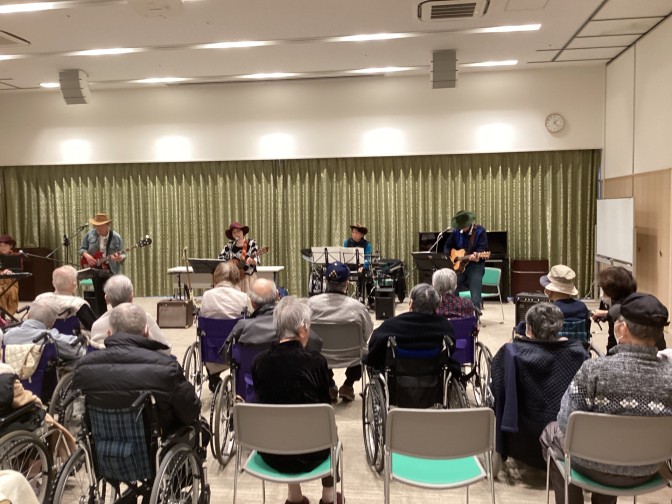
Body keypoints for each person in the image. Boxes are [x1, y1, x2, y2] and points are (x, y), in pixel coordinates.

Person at [540, 292, 672, 504]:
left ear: (624, 329)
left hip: (591, 466)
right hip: (647, 469)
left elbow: (566, 422)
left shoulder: (594, 369)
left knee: (551, 432)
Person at [252, 297, 340, 504]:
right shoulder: (316, 362)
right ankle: (329, 497)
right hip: (313, 452)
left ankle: (294, 496)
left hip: (271, 452)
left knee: (283, 422)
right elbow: (325, 408)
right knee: (330, 430)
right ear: (302, 330)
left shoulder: (258, 362)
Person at [73, 303, 201, 437]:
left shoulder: (83, 367)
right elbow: (190, 410)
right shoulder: (167, 367)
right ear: (146, 332)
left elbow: (82, 415)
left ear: (109, 333)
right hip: (152, 443)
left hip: (102, 443)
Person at [491, 303, 588, 469]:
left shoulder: (512, 352)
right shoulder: (579, 353)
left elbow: (498, 390)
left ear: (529, 329)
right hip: (563, 435)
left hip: (522, 435)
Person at [307, 262, 373, 402]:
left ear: (325, 281)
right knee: (364, 348)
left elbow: (304, 331)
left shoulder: (310, 304)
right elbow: (367, 333)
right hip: (353, 356)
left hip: (320, 356)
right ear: (347, 283)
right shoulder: (358, 307)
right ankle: (348, 385)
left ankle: (330, 385)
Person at [364, 283, 460, 376]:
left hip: (397, 378)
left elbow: (374, 346)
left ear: (411, 304)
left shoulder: (391, 325)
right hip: (435, 377)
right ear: (436, 306)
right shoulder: (444, 326)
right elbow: (451, 348)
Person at [228, 278, 322, 351]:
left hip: (251, 370)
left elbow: (226, 354)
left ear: (252, 303)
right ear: (277, 297)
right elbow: (316, 344)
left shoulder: (243, 327)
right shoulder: (293, 324)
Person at [199, 260, 250, 392]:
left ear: (216, 277)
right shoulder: (243, 297)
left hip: (211, 353)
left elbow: (202, 319)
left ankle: (213, 378)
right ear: (236, 277)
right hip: (235, 354)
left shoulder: (206, 296)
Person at [89, 274, 171, 354]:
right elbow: (165, 350)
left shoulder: (97, 325)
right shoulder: (145, 319)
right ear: (131, 296)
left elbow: (94, 352)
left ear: (107, 299)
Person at [514, 264, 591, 339]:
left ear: (549, 290)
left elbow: (522, 329)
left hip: (551, 347)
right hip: (578, 346)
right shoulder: (582, 307)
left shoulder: (547, 311)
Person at [1, 301, 86, 362]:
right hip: (41, 380)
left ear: (28, 315)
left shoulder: (7, 335)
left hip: (10, 378)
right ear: (52, 323)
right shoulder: (50, 338)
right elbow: (78, 351)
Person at [79, 212, 125, 317]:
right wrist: (88, 256)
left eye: (100, 225)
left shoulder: (116, 237)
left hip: (111, 269)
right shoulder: (90, 234)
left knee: (115, 295)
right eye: (96, 225)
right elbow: (82, 249)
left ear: (107, 225)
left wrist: (118, 258)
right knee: (99, 297)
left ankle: (118, 316)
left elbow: (123, 255)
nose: (98, 228)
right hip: (95, 269)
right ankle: (102, 318)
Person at [442, 210, 488, 311]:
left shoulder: (480, 231)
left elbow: (482, 249)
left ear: (468, 223)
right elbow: (447, 245)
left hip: (475, 266)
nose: (460, 228)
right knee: (452, 286)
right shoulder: (456, 232)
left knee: (475, 288)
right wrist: (450, 257)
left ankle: (475, 313)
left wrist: (477, 255)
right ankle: (453, 311)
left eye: (462, 226)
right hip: (460, 266)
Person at [34, 265, 97, 331]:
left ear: (53, 283)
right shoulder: (79, 304)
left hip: (42, 335)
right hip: (71, 337)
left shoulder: (40, 298)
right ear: (74, 284)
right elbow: (94, 327)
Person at [591, 266, 637, 352]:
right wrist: (605, 314)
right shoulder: (634, 300)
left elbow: (621, 310)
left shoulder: (620, 308)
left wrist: (606, 313)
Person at [218, 221, 259, 294]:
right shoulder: (229, 246)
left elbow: (255, 258)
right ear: (232, 235)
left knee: (249, 299)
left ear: (243, 232)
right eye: (234, 232)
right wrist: (230, 264)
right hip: (234, 279)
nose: (237, 234)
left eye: (238, 231)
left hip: (248, 278)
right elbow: (220, 258)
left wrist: (252, 261)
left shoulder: (251, 243)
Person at [343, 223, 373, 302]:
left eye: (356, 233)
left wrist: (363, 266)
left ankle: (367, 298)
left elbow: (368, 259)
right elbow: (343, 258)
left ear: (361, 235)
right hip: (349, 266)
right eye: (353, 232)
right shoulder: (347, 242)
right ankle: (342, 296)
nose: (354, 234)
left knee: (367, 274)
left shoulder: (367, 245)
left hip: (361, 267)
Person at [0, 234, 21, 318]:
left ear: (10, 246)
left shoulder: (16, 256)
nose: (2, 248)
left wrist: (10, 271)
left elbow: (19, 270)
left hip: (11, 282)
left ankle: (8, 316)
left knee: (11, 292)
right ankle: (1, 317)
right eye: (0, 246)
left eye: (5, 245)